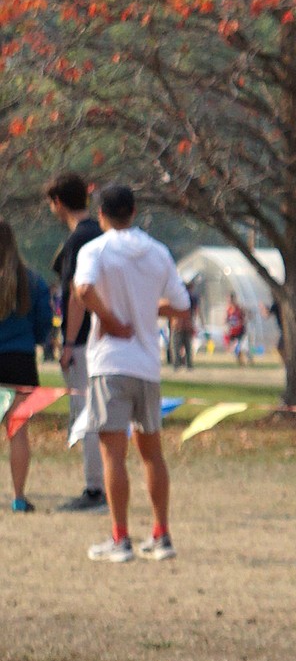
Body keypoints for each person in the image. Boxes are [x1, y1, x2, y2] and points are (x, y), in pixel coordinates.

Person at [71, 181, 192, 562]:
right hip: (147, 366)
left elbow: (83, 289)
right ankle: (161, 534)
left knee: (113, 456)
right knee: (152, 454)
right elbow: (182, 307)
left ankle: (120, 537)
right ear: (135, 212)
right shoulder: (157, 252)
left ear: (101, 214)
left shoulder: (96, 248)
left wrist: (110, 318)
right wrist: (144, 311)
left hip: (111, 362)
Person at [47, 171, 108, 512]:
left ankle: (94, 490)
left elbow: (75, 297)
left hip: (84, 343)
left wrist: (68, 343)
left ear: (58, 202)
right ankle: (104, 484)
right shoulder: (102, 234)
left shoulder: (76, 241)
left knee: (85, 415)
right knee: (101, 414)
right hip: (106, 338)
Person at [0, 221, 54, 513]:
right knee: (18, 432)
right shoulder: (32, 280)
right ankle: (19, 497)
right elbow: (44, 321)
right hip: (20, 361)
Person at [224, 291, 246, 363]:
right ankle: (239, 358)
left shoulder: (239, 309)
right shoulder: (228, 309)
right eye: (228, 299)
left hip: (240, 330)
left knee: (238, 345)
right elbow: (226, 320)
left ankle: (240, 359)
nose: (229, 301)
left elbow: (243, 319)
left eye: (230, 299)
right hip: (232, 331)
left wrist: (240, 323)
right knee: (232, 345)